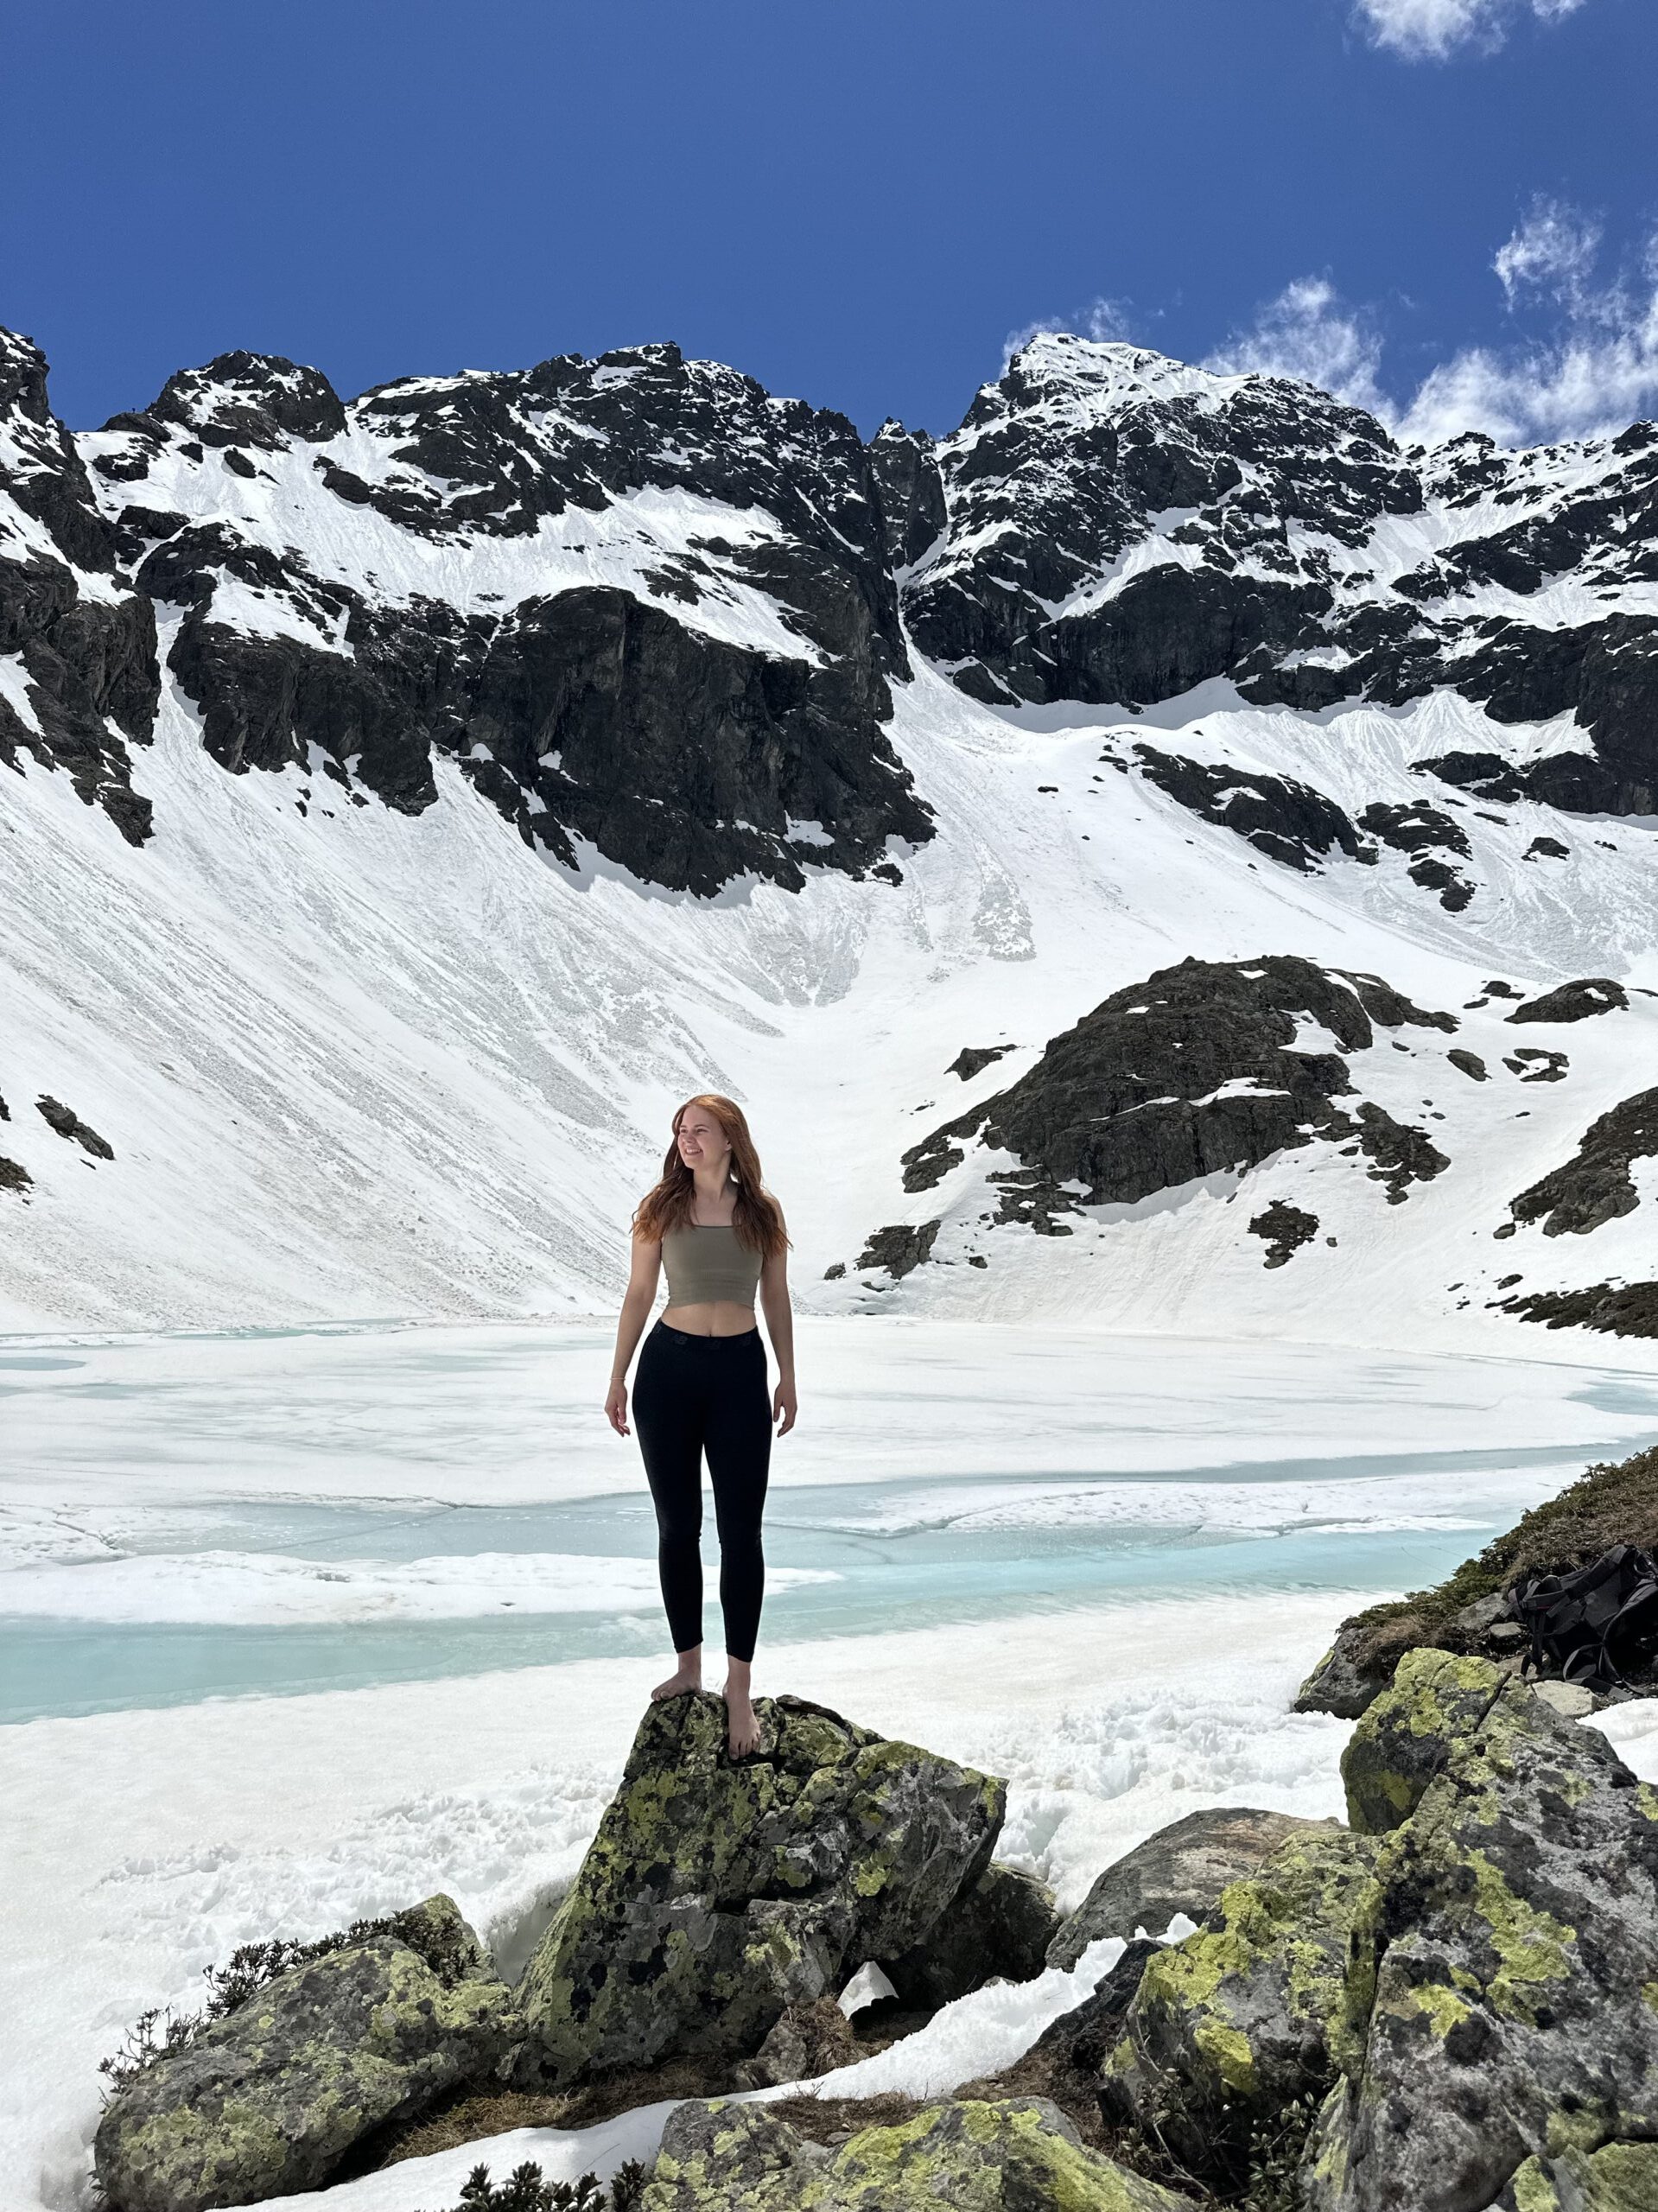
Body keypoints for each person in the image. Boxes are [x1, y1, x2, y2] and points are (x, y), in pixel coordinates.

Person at [605, 1093, 797, 1756]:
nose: (687, 1141)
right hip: (668, 1372)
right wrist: (618, 1375)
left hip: (741, 1372)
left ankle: (737, 1687)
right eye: (680, 1131)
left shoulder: (759, 1212)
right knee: (676, 1526)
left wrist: (787, 1375)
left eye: (700, 1131)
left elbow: (775, 1296)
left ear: (728, 1138)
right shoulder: (659, 1208)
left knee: (742, 1534)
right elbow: (637, 1293)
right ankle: (688, 1666)